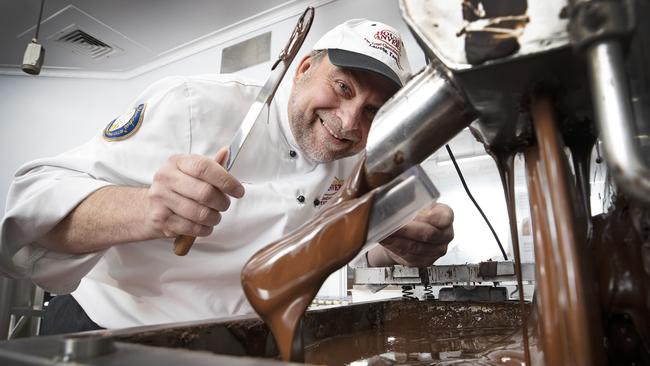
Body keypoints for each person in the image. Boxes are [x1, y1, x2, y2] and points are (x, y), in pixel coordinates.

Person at [0, 19, 454, 334]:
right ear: (303, 68)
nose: (351, 122)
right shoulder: (193, 105)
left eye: (372, 110)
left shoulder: (358, 160)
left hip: (238, 344)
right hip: (112, 334)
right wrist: (145, 209)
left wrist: (392, 246)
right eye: (342, 88)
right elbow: (32, 201)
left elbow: (327, 249)